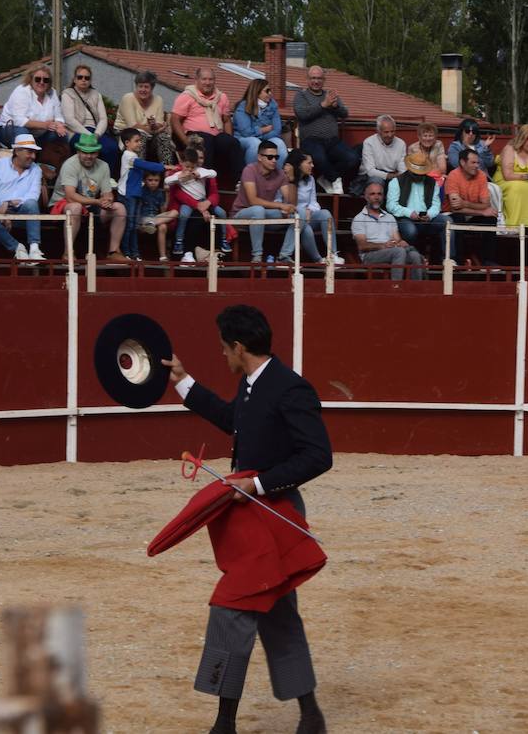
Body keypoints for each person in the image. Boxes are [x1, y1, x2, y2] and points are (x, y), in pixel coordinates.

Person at [161, 304, 332, 734]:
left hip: (274, 513)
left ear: (239, 347)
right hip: (249, 514)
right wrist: (184, 383)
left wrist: (259, 486)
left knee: (232, 606)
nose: (223, 356)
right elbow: (233, 420)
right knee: (276, 611)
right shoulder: (256, 385)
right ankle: (310, 716)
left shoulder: (291, 388)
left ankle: (225, 724)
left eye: (224, 349)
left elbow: (318, 456)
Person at [50, 133, 126, 263]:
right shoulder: (70, 164)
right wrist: (97, 201)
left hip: (90, 205)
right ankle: (68, 252)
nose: (89, 156)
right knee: (76, 207)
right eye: (85, 152)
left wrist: (108, 200)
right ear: (78, 151)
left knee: (119, 208)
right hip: (63, 204)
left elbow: (107, 192)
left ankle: (113, 251)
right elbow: (70, 196)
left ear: (97, 153)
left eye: (93, 153)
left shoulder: (103, 166)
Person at [0, 133, 46, 261]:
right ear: (17, 151)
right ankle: (17, 248)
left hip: (23, 214)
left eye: (34, 153)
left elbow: (33, 195)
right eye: (29, 152)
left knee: (31, 203)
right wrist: (0, 211)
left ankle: (34, 248)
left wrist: (8, 203)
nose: (33, 156)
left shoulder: (36, 170)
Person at [171, 67, 243, 187]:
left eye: (211, 79)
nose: (208, 82)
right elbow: (175, 119)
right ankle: (206, 183)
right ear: (197, 80)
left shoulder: (221, 97)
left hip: (216, 135)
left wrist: (228, 137)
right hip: (194, 135)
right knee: (206, 140)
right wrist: (185, 141)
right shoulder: (187, 96)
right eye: (204, 79)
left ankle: (239, 181)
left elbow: (226, 121)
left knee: (232, 142)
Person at [294, 65, 357, 194]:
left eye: (319, 78)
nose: (316, 81)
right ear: (307, 79)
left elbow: (345, 113)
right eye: (313, 78)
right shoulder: (301, 95)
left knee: (353, 158)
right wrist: (323, 105)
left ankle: (326, 178)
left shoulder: (330, 95)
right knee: (319, 157)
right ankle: (334, 178)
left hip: (332, 140)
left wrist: (335, 107)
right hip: (311, 140)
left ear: (324, 80)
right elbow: (302, 114)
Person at [231, 142, 298, 263]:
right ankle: (257, 256)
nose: (274, 161)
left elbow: (291, 203)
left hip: (265, 214)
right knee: (258, 210)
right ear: (260, 157)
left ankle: (284, 255)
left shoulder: (280, 173)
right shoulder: (250, 170)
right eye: (270, 157)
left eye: (276, 157)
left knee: (299, 215)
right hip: (242, 214)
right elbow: (253, 200)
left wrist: (292, 179)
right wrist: (280, 205)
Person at [351, 180, 424, 280]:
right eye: (372, 194)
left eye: (379, 194)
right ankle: (395, 286)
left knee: (414, 255)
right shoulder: (359, 219)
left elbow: (397, 239)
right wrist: (383, 246)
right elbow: (362, 246)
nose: (376, 197)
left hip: (391, 250)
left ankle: (416, 290)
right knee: (399, 252)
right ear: (366, 197)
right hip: (370, 255)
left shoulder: (389, 217)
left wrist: (401, 243)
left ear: (383, 197)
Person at [167, 148, 230, 261]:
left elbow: (213, 173)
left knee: (222, 213)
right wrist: (179, 177)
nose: (190, 169)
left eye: (192, 166)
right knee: (184, 215)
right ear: (182, 164)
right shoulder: (178, 173)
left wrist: (198, 174)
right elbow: (168, 181)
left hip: (203, 200)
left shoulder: (201, 171)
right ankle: (179, 241)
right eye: (187, 166)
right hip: (188, 203)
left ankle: (223, 240)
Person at [386, 151, 448, 263]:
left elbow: (436, 204)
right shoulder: (396, 182)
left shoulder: (432, 183)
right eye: (416, 173)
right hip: (404, 218)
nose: (419, 175)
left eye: (421, 173)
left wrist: (429, 215)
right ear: (409, 170)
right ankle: (414, 258)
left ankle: (447, 258)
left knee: (447, 221)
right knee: (410, 231)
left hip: (427, 218)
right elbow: (391, 206)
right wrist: (409, 213)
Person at [282, 151, 342, 264]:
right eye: (309, 163)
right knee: (306, 228)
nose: (312, 166)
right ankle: (317, 259)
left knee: (325, 214)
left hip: (308, 216)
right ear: (299, 164)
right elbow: (282, 202)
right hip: (290, 217)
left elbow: (313, 202)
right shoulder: (285, 177)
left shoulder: (310, 179)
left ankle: (333, 254)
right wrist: (303, 212)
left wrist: (310, 210)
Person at [443, 146, 498, 268]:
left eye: (478, 162)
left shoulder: (482, 176)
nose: (477, 165)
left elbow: (486, 204)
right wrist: (482, 212)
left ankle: (488, 260)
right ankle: (459, 261)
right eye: (473, 162)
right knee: (458, 219)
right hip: (455, 214)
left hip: (472, 213)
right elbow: (455, 207)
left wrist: (466, 204)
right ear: (462, 163)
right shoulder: (453, 176)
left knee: (491, 219)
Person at [119, 128, 167, 261]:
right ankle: (127, 252)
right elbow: (143, 164)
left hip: (134, 194)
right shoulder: (128, 155)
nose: (140, 143)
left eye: (140, 141)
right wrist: (163, 167)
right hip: (128, 194)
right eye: (137, 141)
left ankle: (135, 253)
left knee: (133, 225)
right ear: (127, 143)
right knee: (129, 225)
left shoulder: (133, 155)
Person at [61, 64, 119, 172]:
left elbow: (103, 119)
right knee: (89, 148)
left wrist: (96, 134)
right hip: (77, 131)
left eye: (87, 78)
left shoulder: (96, 94)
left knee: (112, 147)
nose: (83, 80)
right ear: (74, 79)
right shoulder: (67, 94)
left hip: (96, 131)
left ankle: (107, 178)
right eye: (80, 77)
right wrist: (89, 135)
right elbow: (69, 120)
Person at [0, 65, 67, 148]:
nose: (41, 82)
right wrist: (45, 125)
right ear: (31, 80)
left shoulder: (52, 92)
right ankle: (22, 158)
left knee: (62, 134)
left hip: (38, 133)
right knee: (23, 133)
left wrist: (59, 126)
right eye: (38, 79)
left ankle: (55, 159)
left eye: (45, 80)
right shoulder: (22, 91)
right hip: (10, 129)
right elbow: (19, 120)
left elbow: (58, 117)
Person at [115, 70, 174, 167]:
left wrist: (154, 126)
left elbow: (159, 123)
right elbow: (132, 125)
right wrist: (154, 129)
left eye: (146, 87)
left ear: (152, 88)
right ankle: (139, 170)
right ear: (136, 86)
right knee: (139, 136)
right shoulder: (128, 98)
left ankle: (167, 171)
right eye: (140, 86)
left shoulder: (158, 100)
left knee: (164, 137)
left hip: (151, 133)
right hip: (125, 132)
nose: (143, 90)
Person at [233, 79, 287, 167]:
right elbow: (246, 132)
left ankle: (277, 177)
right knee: (255, 143)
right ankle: (250, 176)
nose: (270, 93)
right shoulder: (243, 106)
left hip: (266, 138)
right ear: (257, 92)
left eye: (270, 90)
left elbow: (277, 130)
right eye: (267, 91)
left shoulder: (273, 106)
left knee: (280, 144)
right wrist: (264, 129)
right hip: (243, 139)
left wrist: (260, 134)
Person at [134, 169, 176, 261]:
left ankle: (162, 256)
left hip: (155, 219)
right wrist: (138, 224)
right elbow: (137, 210)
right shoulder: (141, 191)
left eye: (156, 180)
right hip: (143, 219)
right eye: (150, 180)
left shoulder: (160, 193)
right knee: (162, 225)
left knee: (174, 214)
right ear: (144, 180)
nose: (153, 183)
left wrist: (167, 194)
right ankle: (149, 224)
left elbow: (163, 210)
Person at [359, 115, 406, 187]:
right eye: (386, 132)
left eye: (392, 131)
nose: (390, 135)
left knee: (402, 182)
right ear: (378, 131)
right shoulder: (369, 142)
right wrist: (390, 176)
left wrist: (400, 177)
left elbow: (402, 169)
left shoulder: (401, 143)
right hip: (371, 176)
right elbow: (370, 171)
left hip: (392, 174)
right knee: (376, 181)